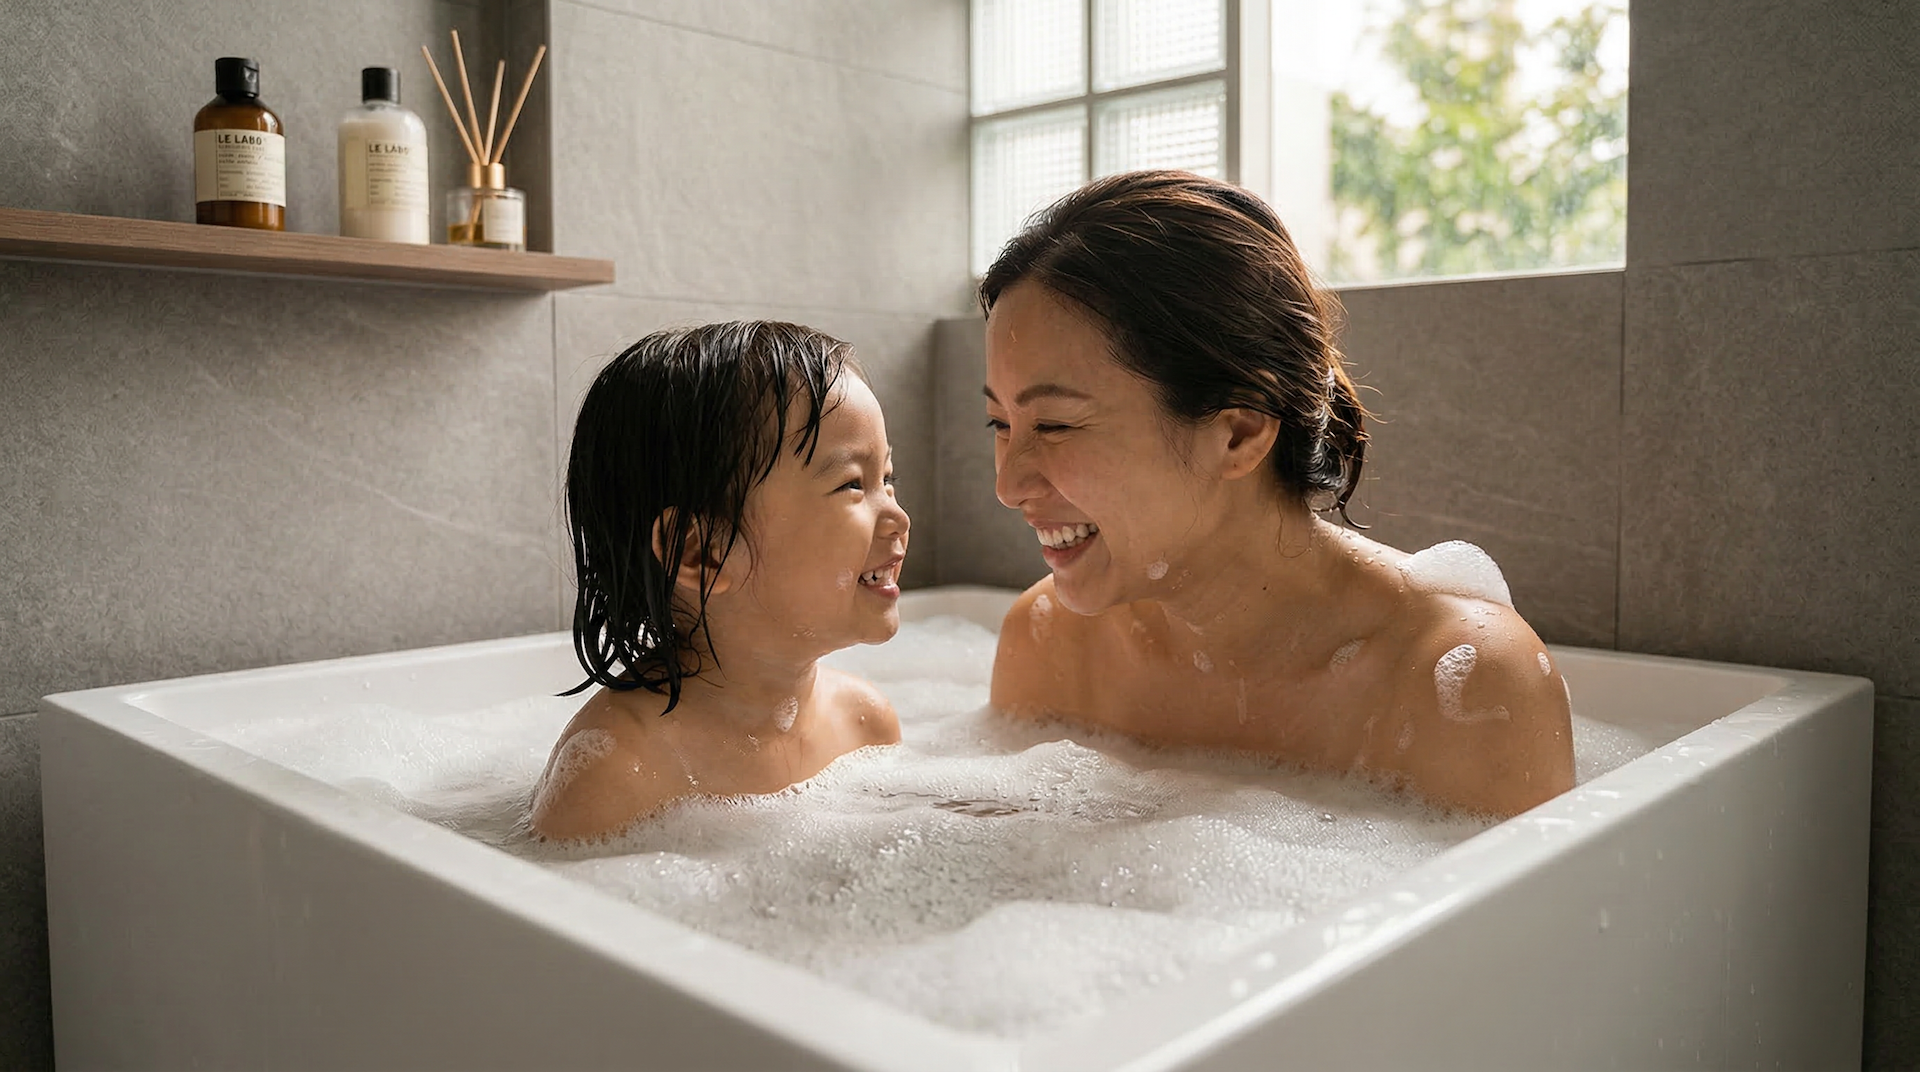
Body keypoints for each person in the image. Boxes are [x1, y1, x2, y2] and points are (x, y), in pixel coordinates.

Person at [980, 171, 1573, 818]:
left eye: (1056, 425)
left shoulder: (1463, 685)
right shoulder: (1052, 647)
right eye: (1000, 425)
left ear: (1239, 432)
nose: (1009, 485)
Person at [531, 321, 909, 841]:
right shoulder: (614, 777)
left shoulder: (866, 724)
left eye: (887, 478)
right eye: (852, 484)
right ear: (703, 552)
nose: (897, 516)